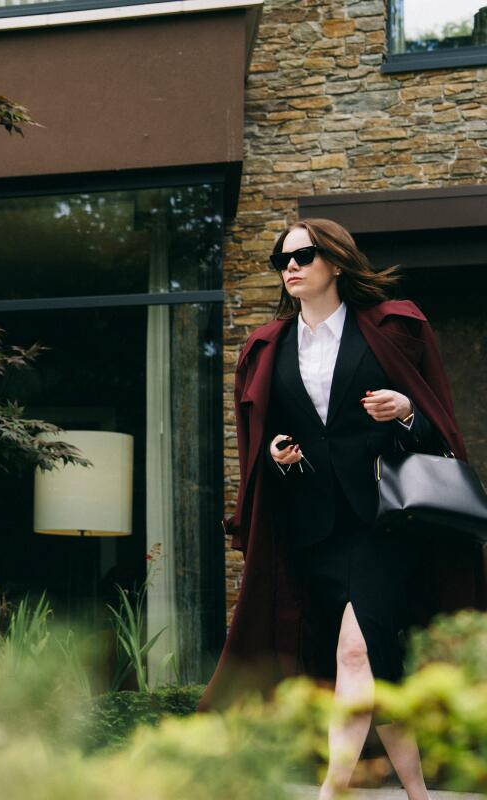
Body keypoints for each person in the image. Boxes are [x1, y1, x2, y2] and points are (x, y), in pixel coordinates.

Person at [199, 218, 485, 799]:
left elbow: (438, 428)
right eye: (282, 259)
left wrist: (405, 410)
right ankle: (418, 792)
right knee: (375, 663)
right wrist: (278, 455)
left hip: (385, 523)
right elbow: (267, 439)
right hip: (314, 529)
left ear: (334, 260)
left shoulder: (391, 328)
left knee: (354, 650)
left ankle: (331, 791)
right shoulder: (268, 348)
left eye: (303, 255)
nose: (290, 266)